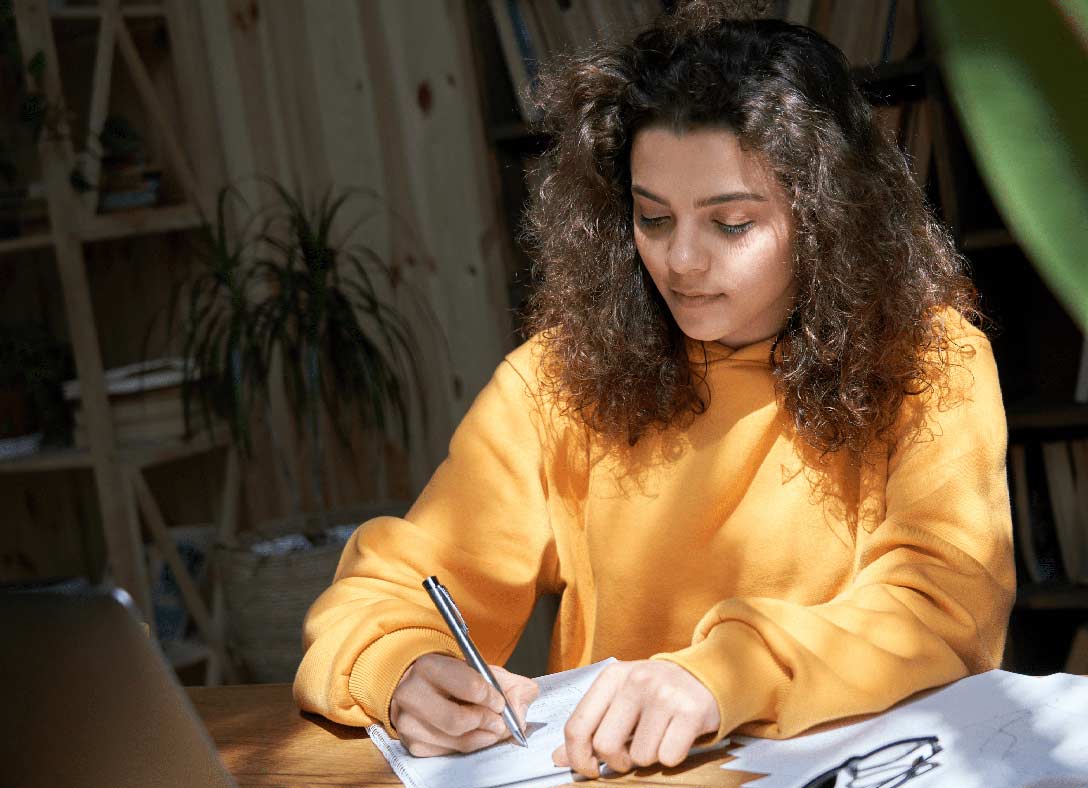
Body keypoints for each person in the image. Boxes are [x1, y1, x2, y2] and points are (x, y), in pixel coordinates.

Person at [293, 1, 1015, 780]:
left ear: (827, 217)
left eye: (731, 224)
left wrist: (723, 675)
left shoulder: (930, 359)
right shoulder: (555, 380)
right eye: (652, 217)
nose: (681, 261)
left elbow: (942, 607)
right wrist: (401, 667)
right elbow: (396, 585)